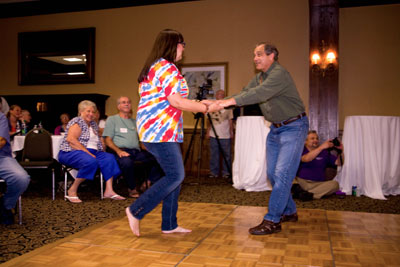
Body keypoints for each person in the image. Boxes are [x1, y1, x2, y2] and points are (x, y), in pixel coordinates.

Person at [125, 29, 220, 237]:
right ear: (173, 44)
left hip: (161, 130)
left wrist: (200, 104)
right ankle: (135, 210)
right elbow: (176, 101)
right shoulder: (165, 67)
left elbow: (173, 100)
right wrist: (205, 108)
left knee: (173, 176)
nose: (184, 48)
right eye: (182, 43)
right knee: (176, 174)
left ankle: (169, 224)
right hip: (159, 130)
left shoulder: (158, 67)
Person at [215, 43, 309, 235]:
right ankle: (289, 211)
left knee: (282, 174)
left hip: (294, 128)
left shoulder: (279, 74)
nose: (255, 58)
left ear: (271, 56)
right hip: (275, 129)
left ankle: (273, 220)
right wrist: (218, 103)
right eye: (254, 55)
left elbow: (260, 93)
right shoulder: (259, 78)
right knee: (273, 175)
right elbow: (244, 93)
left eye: (259, 54)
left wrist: (227, 102)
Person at [58, 100, 125, 203]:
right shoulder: (77, 121)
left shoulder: (93, 124)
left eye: (93, 112)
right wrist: (88, 153)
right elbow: (71, 140)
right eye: (88, 111)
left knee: (109, 158)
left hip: (92, 152)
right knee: (90, 161)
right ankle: (72, 190)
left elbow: (97, 138)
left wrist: (101, 144)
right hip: (71, 151)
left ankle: (109, 191)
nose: (91, 114)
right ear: (81, 111)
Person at [103, 96, 163, 198]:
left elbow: (141, 141)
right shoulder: (112, 119)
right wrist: (118, 151)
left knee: (161, 158)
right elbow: (107, 140)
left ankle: (147, 183)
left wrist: (152, 150)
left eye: (128, 102)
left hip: (136, 151)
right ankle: (132, 188)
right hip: (120, 150)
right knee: (127, 162)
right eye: (123, 102)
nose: (127, 104)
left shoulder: (135, 122)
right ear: (118, 106)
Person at [0, 112, 30, 225]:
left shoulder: (0, 117)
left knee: (21, 178)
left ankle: (6, 205)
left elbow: (1, 141)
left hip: (1, 157)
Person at [295, 130, 343, 199]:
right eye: (312, 138)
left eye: (317, 138)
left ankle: (307, 195)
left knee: (335, 184)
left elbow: (339, 163)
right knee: (289, 179)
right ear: (305, 141)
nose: (316, 140)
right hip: (302, 183)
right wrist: (322, 147)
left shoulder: (324, 152)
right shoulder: (300, 150)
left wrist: (340, 152)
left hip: (318, 184)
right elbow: (306, 158)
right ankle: (308, 193)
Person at [206, 89, 234, 179]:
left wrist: (231, 132)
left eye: (222, 94)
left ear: (225, 96)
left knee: (227, 155)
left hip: (225, 135)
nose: (220, 95)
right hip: (213, 134)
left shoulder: (228, 107)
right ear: (216, 95)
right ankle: (214, 172)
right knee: (214, 154)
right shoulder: (212, 106)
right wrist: (207, 131)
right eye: (219, 94)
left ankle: (226, 172)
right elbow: (208, 121)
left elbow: (230, 120)